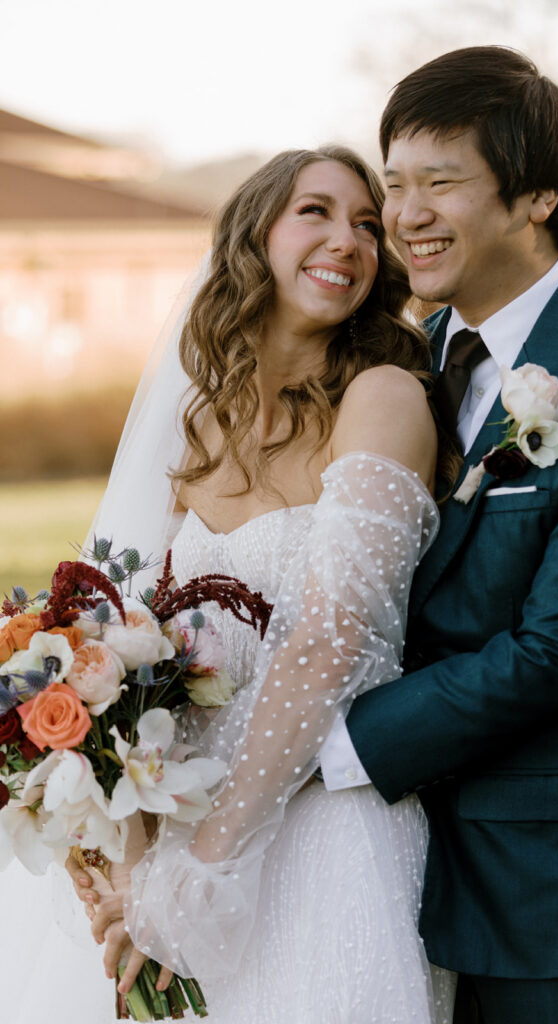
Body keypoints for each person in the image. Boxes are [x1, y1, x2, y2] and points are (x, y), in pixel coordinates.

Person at [316, 46, 558, 1024]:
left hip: (551, 887)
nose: (404, 215)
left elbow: (556, 650)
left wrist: (333, 746)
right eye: (392, 185)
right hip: (394, 864)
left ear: (538, 198)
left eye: (440, 182)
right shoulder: (411, 360)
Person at [62, 144, 457, 1023]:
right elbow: (119, 663)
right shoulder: (199, 421)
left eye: (365, 224)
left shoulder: (383, 397)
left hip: (318, 849)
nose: (348, 240)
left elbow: (330, 645)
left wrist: (204, 870)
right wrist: (129, 871)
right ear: (254, 236)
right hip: (171, 854)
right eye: (314, 211)